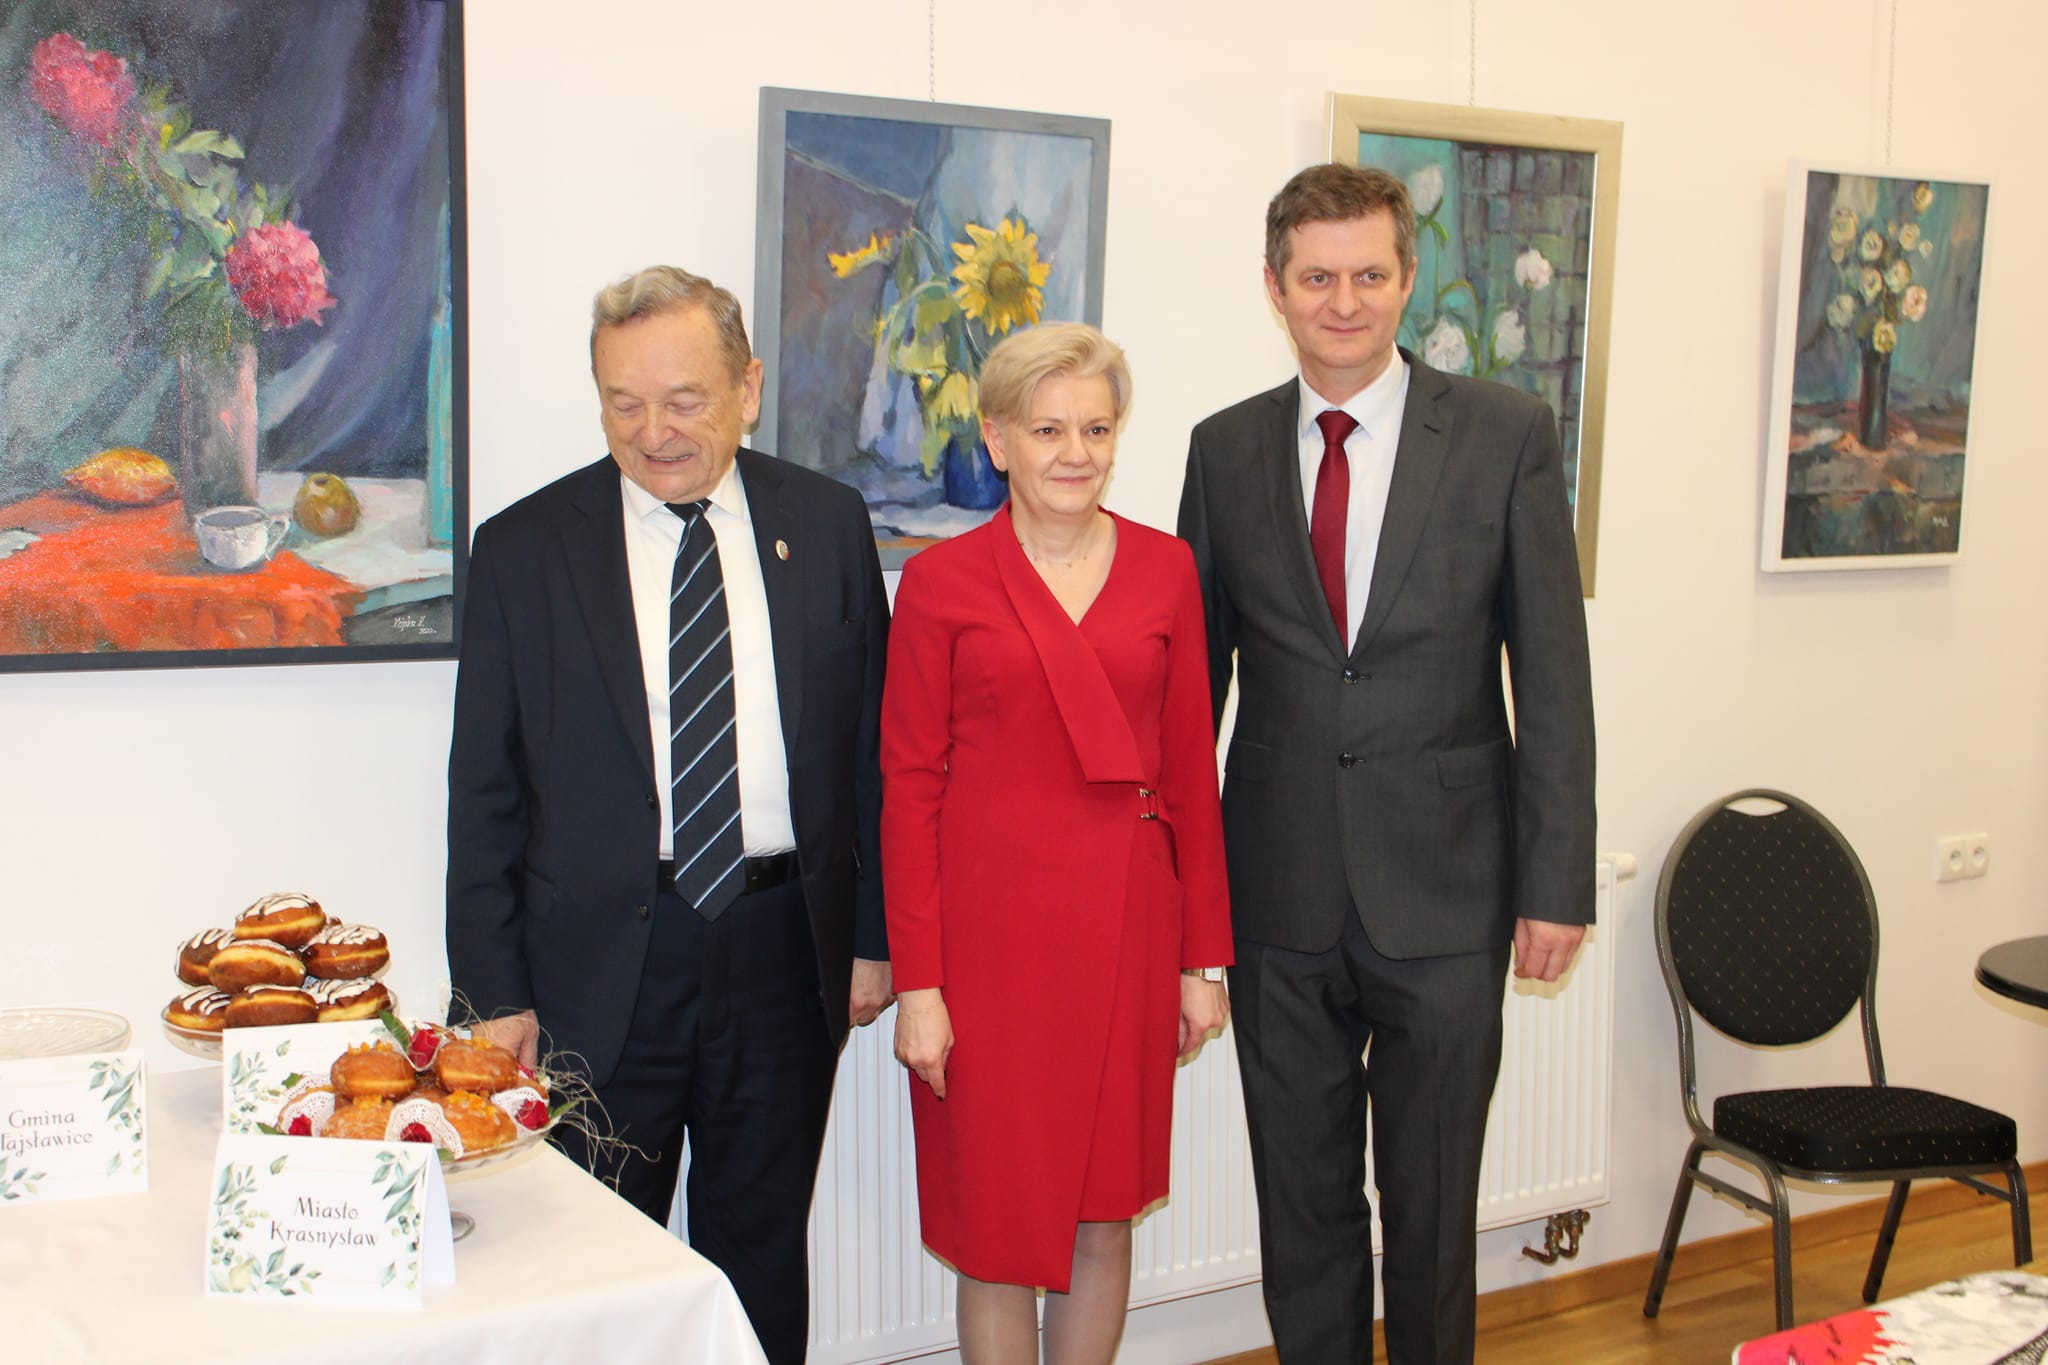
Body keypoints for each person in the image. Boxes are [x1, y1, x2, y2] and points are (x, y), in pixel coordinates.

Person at [1178, 163, 1597, 1363]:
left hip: (1449, 891)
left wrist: (1554, 883)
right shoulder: (1223, 449)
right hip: (1277, 900)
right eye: (1317, 278)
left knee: (1429, 1211)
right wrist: (1184, 905)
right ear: (1274, 288)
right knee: (1301, 1209)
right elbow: (1190, 698)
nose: (1344, 302)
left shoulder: (1505, 435)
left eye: (1368, 274)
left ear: (1407, 278)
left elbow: (1550, 676)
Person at [445, 265, 892, 1365]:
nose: (654, 434)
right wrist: (493, 995)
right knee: (593, 1272)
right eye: (624, 403)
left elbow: (871, 754)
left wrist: (875, 939)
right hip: (594, 967)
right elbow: (484, 791)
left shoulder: (827, 524)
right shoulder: (523, 549)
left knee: (760, 1257)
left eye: (685, 400)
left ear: (748, 388)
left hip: (781, 953)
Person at [885, 323, 1233, 1364]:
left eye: (1095, 427)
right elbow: (907, 791)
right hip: (986, 955)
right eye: (1047, 430)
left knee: (1102, 1215)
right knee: (995, 1235)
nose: (1075, 452)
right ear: (997, 440)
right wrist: (919, 985)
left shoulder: (1168, 568)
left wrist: (1202, 962)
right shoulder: (940, 582)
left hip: (1127, 933)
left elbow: (1190, 774)